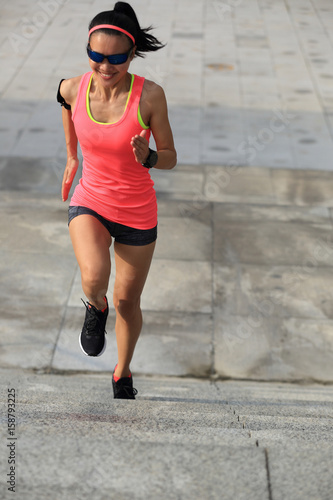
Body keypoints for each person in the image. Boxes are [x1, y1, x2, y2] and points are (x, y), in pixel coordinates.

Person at [57, 2, 177, 399]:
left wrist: (151, 158)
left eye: (115, 58)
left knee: (128, 301)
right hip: (90, 199)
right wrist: (72, 156)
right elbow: (64, 100)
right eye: (96, 56)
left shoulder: (150, 97)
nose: (104, 66)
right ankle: (95, 306)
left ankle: (122, 372)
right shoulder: (74, 87)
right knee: (94, 276)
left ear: (132, 54)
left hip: (137, 213)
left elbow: (171, 156)